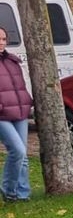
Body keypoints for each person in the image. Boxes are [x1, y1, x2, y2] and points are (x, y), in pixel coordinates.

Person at [0, 27, 33, 203]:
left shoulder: (13, 61)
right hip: (2, 115)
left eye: (4, 39)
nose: (1, 42)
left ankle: (22, 194)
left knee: (24, 155)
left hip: (19, 111)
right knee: (17, 151)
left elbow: (20, 86)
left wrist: (28, 101)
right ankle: (8, 190)